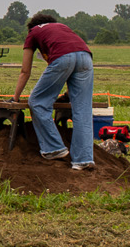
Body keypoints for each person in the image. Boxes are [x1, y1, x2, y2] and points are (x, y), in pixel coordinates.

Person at [10, 13, 96, 171]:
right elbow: (75, 61)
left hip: (63, 58)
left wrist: (15, 97)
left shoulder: (33, 32)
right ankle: (83, 159)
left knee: (37, 102)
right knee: (83, 110)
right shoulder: (63, 28)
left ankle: (53, 148)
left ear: (32, 26)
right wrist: (68, 95)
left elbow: (25, 71)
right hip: (86, 57)